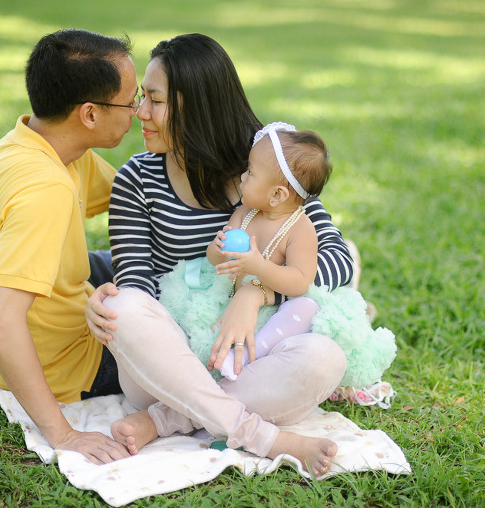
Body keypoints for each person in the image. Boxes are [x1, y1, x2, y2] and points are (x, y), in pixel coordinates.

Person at [85, 34, 353, 476]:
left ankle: (169, 420)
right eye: (141, 99)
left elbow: (337, 264)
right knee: (123, 306)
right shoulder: (136, 180)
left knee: (325, 358)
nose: (141, 113)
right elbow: (138, 285)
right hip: (165, 365)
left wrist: (254, 294)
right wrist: (108, 303)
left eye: (154, 100)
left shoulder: (267, 165)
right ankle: (264, 437)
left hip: (248, 361)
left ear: (198, 105)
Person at [0, 29, 139, 464]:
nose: (138, 110)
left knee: (136, 265)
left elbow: (133, 203)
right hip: (66, 366)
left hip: (55, 295)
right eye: (131, 101)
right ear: (89, 113)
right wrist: (63, 433)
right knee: (185, 319)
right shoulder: (45, 188)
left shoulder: (39, 143)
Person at [206, 122, 333, 380]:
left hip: (272, 315)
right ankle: (221, 356)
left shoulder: (300, 229)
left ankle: (255, 356)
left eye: (250, 173)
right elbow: (213, 259)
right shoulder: (244, 213)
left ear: (277, 195)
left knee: (306, 309)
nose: (242, 177)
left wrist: (259, 267)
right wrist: (217, 249)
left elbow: (299, 282)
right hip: (232, 305)